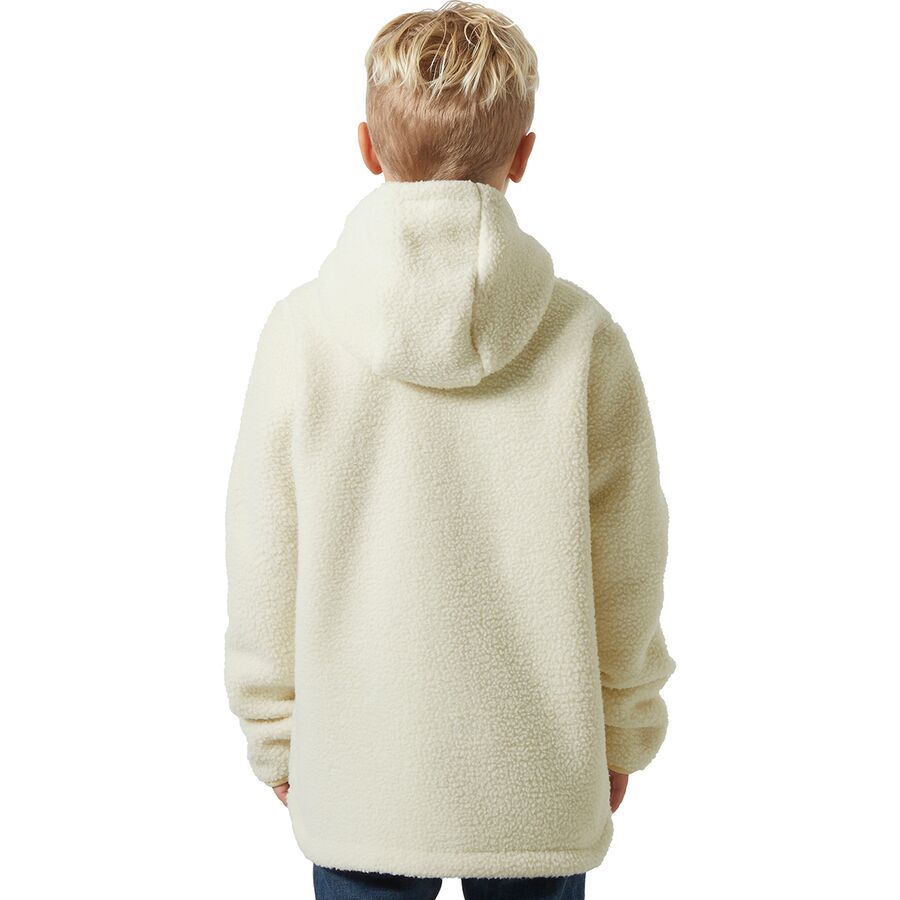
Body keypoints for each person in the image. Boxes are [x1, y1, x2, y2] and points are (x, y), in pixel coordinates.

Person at [223, 3, 676, 898]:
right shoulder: (585, 340)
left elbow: (263, 552)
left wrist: (273, 734)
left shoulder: (302, 335)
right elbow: (630, 562)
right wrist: (626, 729)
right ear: (524, 155)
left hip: (360, 775)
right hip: (539, 775)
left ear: (366, 146)